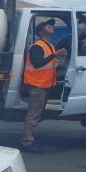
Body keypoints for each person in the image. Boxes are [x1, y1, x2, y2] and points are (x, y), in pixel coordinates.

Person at [20, 19, 68, 153]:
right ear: (41, 32)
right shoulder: (38, 46)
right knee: (33, 115)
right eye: (48, 26)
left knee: (36, 114)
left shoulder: (50, 46)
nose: (51, 27)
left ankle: (28, 138)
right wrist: (56, 54)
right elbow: (37, 64)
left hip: (44, 85)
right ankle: (27, 143)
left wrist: (58, 62)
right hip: (37, 86)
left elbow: (48, 65)